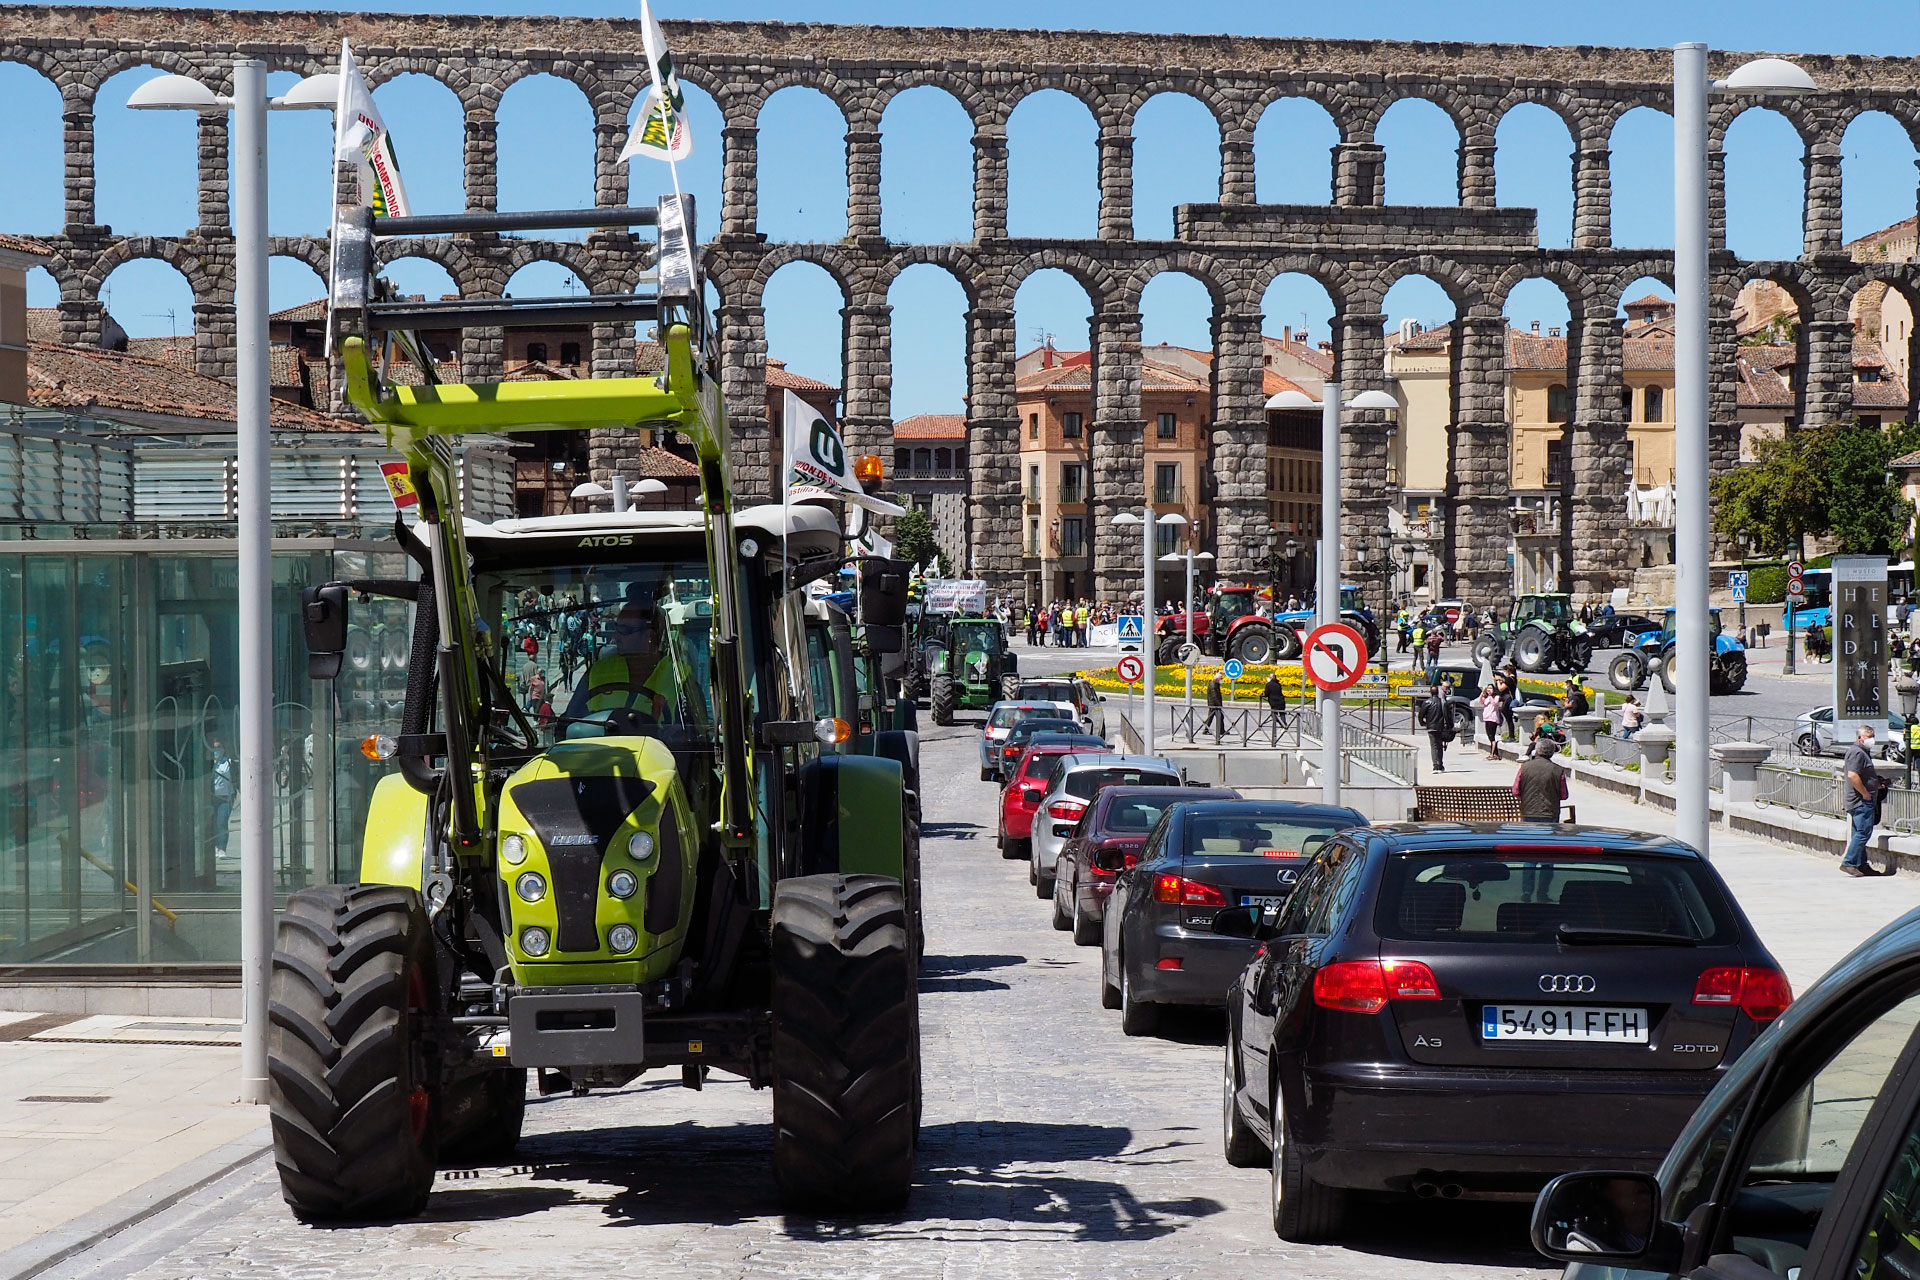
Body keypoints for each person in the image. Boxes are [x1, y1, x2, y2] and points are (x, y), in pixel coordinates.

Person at [565, 599, 679, 727]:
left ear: (649, 637)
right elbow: (569, 723)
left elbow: (693, 733)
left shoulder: (678, 677)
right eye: (616, 629)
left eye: (624, 631)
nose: (616, 637)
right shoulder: (599, 671)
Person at [1841, 725, 1891, 876]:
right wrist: (1866, 794)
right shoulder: (1857, 752)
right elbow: (1852, 775)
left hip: (1863, 800)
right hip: (1861, 801)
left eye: (1872, 736)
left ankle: (1861, 865)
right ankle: (1849, 862)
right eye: (1869, 737)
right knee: (1863, 832)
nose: (1872, 740)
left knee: (1859, 833)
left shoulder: (1863, 752)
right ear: (1860, 738)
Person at [1512, 739, 1569, 822]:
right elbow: (1564, 795)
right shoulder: (1558, 770)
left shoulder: (1524, 767)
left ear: (1536, 752)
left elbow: (1515, 791)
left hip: (1528, 812)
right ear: (1552, 753)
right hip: (1550, 813)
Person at [209, 732, 235, 857]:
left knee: (222, 822)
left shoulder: (229, 763)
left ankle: (222, 848)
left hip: (225, 797)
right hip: (211, 797)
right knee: (211, 823)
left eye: (219, 748)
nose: (216, 751)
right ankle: (214, 846)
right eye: (214, 748)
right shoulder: (209, 764)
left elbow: (236, 779)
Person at [1421, 680, 1454, 772]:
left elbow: (1421, 715)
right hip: (1440, 727)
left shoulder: (1427, 702)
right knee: (1439, 746)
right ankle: (1440, 765)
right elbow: (1447, 715)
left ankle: (1435, 765)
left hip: (1431, 727)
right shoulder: (1443, 702)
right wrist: (1450, 726)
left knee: (1434, 746)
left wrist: (1423, 723)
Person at [1478, 683, 1503, 759]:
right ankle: (1495, 753)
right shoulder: (1486, 697)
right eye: (1488, 688)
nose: (1489, 690)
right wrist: (1483, 692)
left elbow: (1495, 704)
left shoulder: (1496, 697)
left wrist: (1490, 696)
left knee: (1492, 736)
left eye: (1491, 688)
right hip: (1487, 718)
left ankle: (1492, 754)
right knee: (1489, 736)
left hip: (1493, 718)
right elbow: (1481, 701)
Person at [1204, 670, 1226, 740]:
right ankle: (1206, 730)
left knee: (1219, 717)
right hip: (1214, 705)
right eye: (1221, 679)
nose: (1222, 680)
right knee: (1212, 718)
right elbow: (1214, 696)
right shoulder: (1213, 685)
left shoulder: (1216, 684)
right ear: (1217, 679)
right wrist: (1219, 705)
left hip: (1214, 704)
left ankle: (1221, 730)